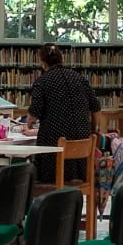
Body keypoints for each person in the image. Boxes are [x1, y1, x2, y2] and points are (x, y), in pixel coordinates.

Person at [25, 43, 99, 181]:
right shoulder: (80, 78)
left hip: (54, 151)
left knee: (34, 169)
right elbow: (95, 108)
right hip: (82, 151)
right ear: (62, 58)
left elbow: (34, 114)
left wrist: (27, 125)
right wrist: (93, 130)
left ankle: (44, 194)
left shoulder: (42, 82)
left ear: (43, 63)